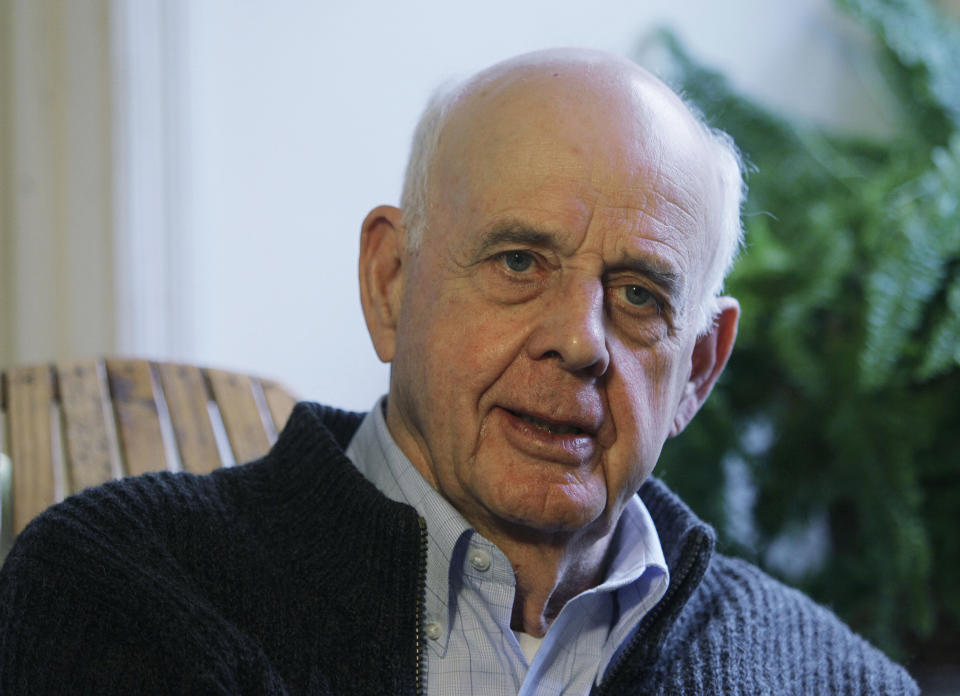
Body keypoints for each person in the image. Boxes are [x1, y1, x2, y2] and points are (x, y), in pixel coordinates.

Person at [0, 49, 917, 695]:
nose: (580, 341)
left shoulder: (839, 681)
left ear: (699, 369)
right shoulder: (124, 589)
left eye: (638, 294)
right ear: (391, 284)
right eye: (520, 261)